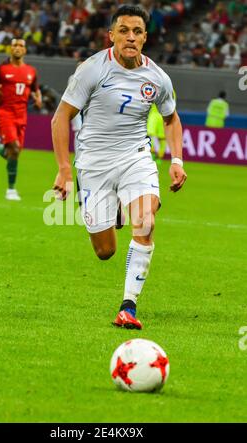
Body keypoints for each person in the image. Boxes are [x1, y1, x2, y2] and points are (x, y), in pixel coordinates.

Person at [51, 5, 187, 330]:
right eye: (123, 31)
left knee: (145, 222)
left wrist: (177, 161)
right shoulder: (91, 69)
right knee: (105, 251)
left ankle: (128, 307)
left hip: (135, 157)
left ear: (145, 37)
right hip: (94, 165)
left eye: (137, 31)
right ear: (111, 35)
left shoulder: (157, 78)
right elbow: (60, 118)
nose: (130, 37)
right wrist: (64, 169)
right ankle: (116, 211)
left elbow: (171, 119)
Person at [0, 38, 42, 201]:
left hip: (22, 116)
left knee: (13, 154)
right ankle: (11, 190)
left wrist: (38, 98)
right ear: (10, 49)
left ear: (25, 50)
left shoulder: (31, 71)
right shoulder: (0, 68)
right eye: (14, 45)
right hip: (4, 113)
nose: (17, 48)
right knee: (13, 149)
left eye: (21, 46)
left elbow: (35, 89)